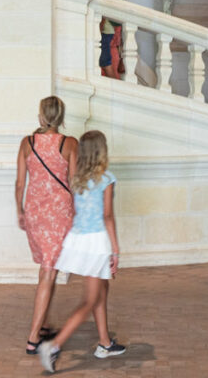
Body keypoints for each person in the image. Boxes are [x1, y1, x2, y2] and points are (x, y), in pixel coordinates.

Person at [38, 130, 125, 373]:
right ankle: (53, 346)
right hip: (95, 242)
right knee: (89, 300)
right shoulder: (106, 179)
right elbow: (107, 216)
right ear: (102, 151)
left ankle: (105, 343)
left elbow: (78, 212)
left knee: (101, 290)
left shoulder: (76, 179)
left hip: (77, 240)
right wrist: (115, 251)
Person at [15, 96, 78, 355]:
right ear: (61, 118)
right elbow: (74, 183)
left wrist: (19, 210)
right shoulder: (69, 143)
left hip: (35, 212)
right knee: (49, 271)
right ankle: (33, 339)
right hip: (59, 213)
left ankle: (44, 324)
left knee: (46, 270)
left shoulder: (27, 143)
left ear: (41, 116)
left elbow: (20, 183)